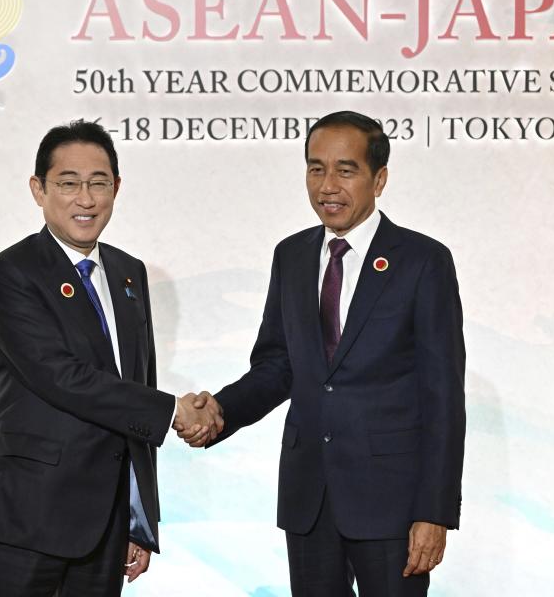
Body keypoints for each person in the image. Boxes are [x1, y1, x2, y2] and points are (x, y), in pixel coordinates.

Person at [185, 111, 466, 596]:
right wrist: (221, 411)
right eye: (316, 168)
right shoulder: (291, 256)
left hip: (391, 503)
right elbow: (278, 366)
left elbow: (442, 396)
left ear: (379, 178)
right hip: (309, 497)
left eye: (345, 169)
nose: (327, 185)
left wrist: (433, 510)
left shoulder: (423, 261)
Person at [0, 119, 222, 597]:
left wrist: (138, 515)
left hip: (105, 525)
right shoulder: (10, 274)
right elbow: (62, 378)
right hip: (25, 519)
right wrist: (172, 411)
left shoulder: (128, 273)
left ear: (116, 187)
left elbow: (136, 380)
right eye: (68, 183)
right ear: (38, 189)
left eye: (99, 183)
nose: (86, 198)